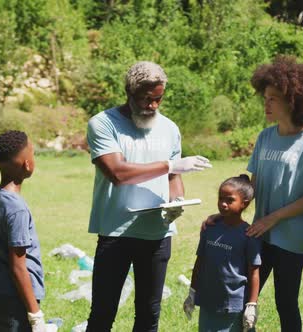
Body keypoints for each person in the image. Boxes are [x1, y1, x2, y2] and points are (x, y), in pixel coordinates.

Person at [85, 61, 212, 332]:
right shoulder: (103, 123)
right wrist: (169, 165)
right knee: (103, 312)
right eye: (146, 99)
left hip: (157, 234)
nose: (153, 105)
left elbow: (173, 179)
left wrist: (177, 202)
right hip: (116, 232)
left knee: (148, 314)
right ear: (129, 93)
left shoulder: (169, 128)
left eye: (158, 99)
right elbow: (117, 173)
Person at [246, 55, 303, 331]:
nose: (266, 104)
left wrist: (275, 218)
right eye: (265, 97)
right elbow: (253, 185)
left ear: (292, 100)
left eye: (273, 98)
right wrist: (228, 213)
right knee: (245, 296)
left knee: (285, 302)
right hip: (261, 232)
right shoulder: (264, 137)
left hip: (291, 238)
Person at [0, 130, 47, 332]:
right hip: (14, 299)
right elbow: (18, 266)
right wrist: (35, 316)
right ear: (27, 164)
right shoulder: (16, 208)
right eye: (32, 153)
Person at [183, 174, 261, 332]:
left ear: (244, 204)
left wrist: (251, 305)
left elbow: (254, 273)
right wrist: (192, 292)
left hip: (233, 306)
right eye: (220, 198)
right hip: (207, 301)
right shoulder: (209, 228)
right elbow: (200, 261)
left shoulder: (249, 234)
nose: (223, 204)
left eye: (230, 200)